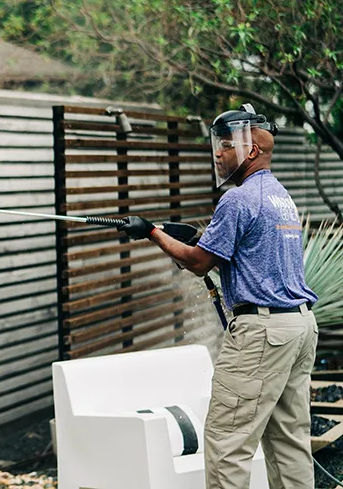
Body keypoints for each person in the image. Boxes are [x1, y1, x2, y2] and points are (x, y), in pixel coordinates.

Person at [118, 104, 319, 489]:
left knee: (227, 443)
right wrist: (194, 238)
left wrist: (151, 232)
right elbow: (249, 255)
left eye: (226, 145)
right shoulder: (280, 196)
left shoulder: (238, 198)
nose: (218, 153)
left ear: (252, 150)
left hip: (263, 334)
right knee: (289, 442)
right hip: (298, 327)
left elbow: (196, 263)